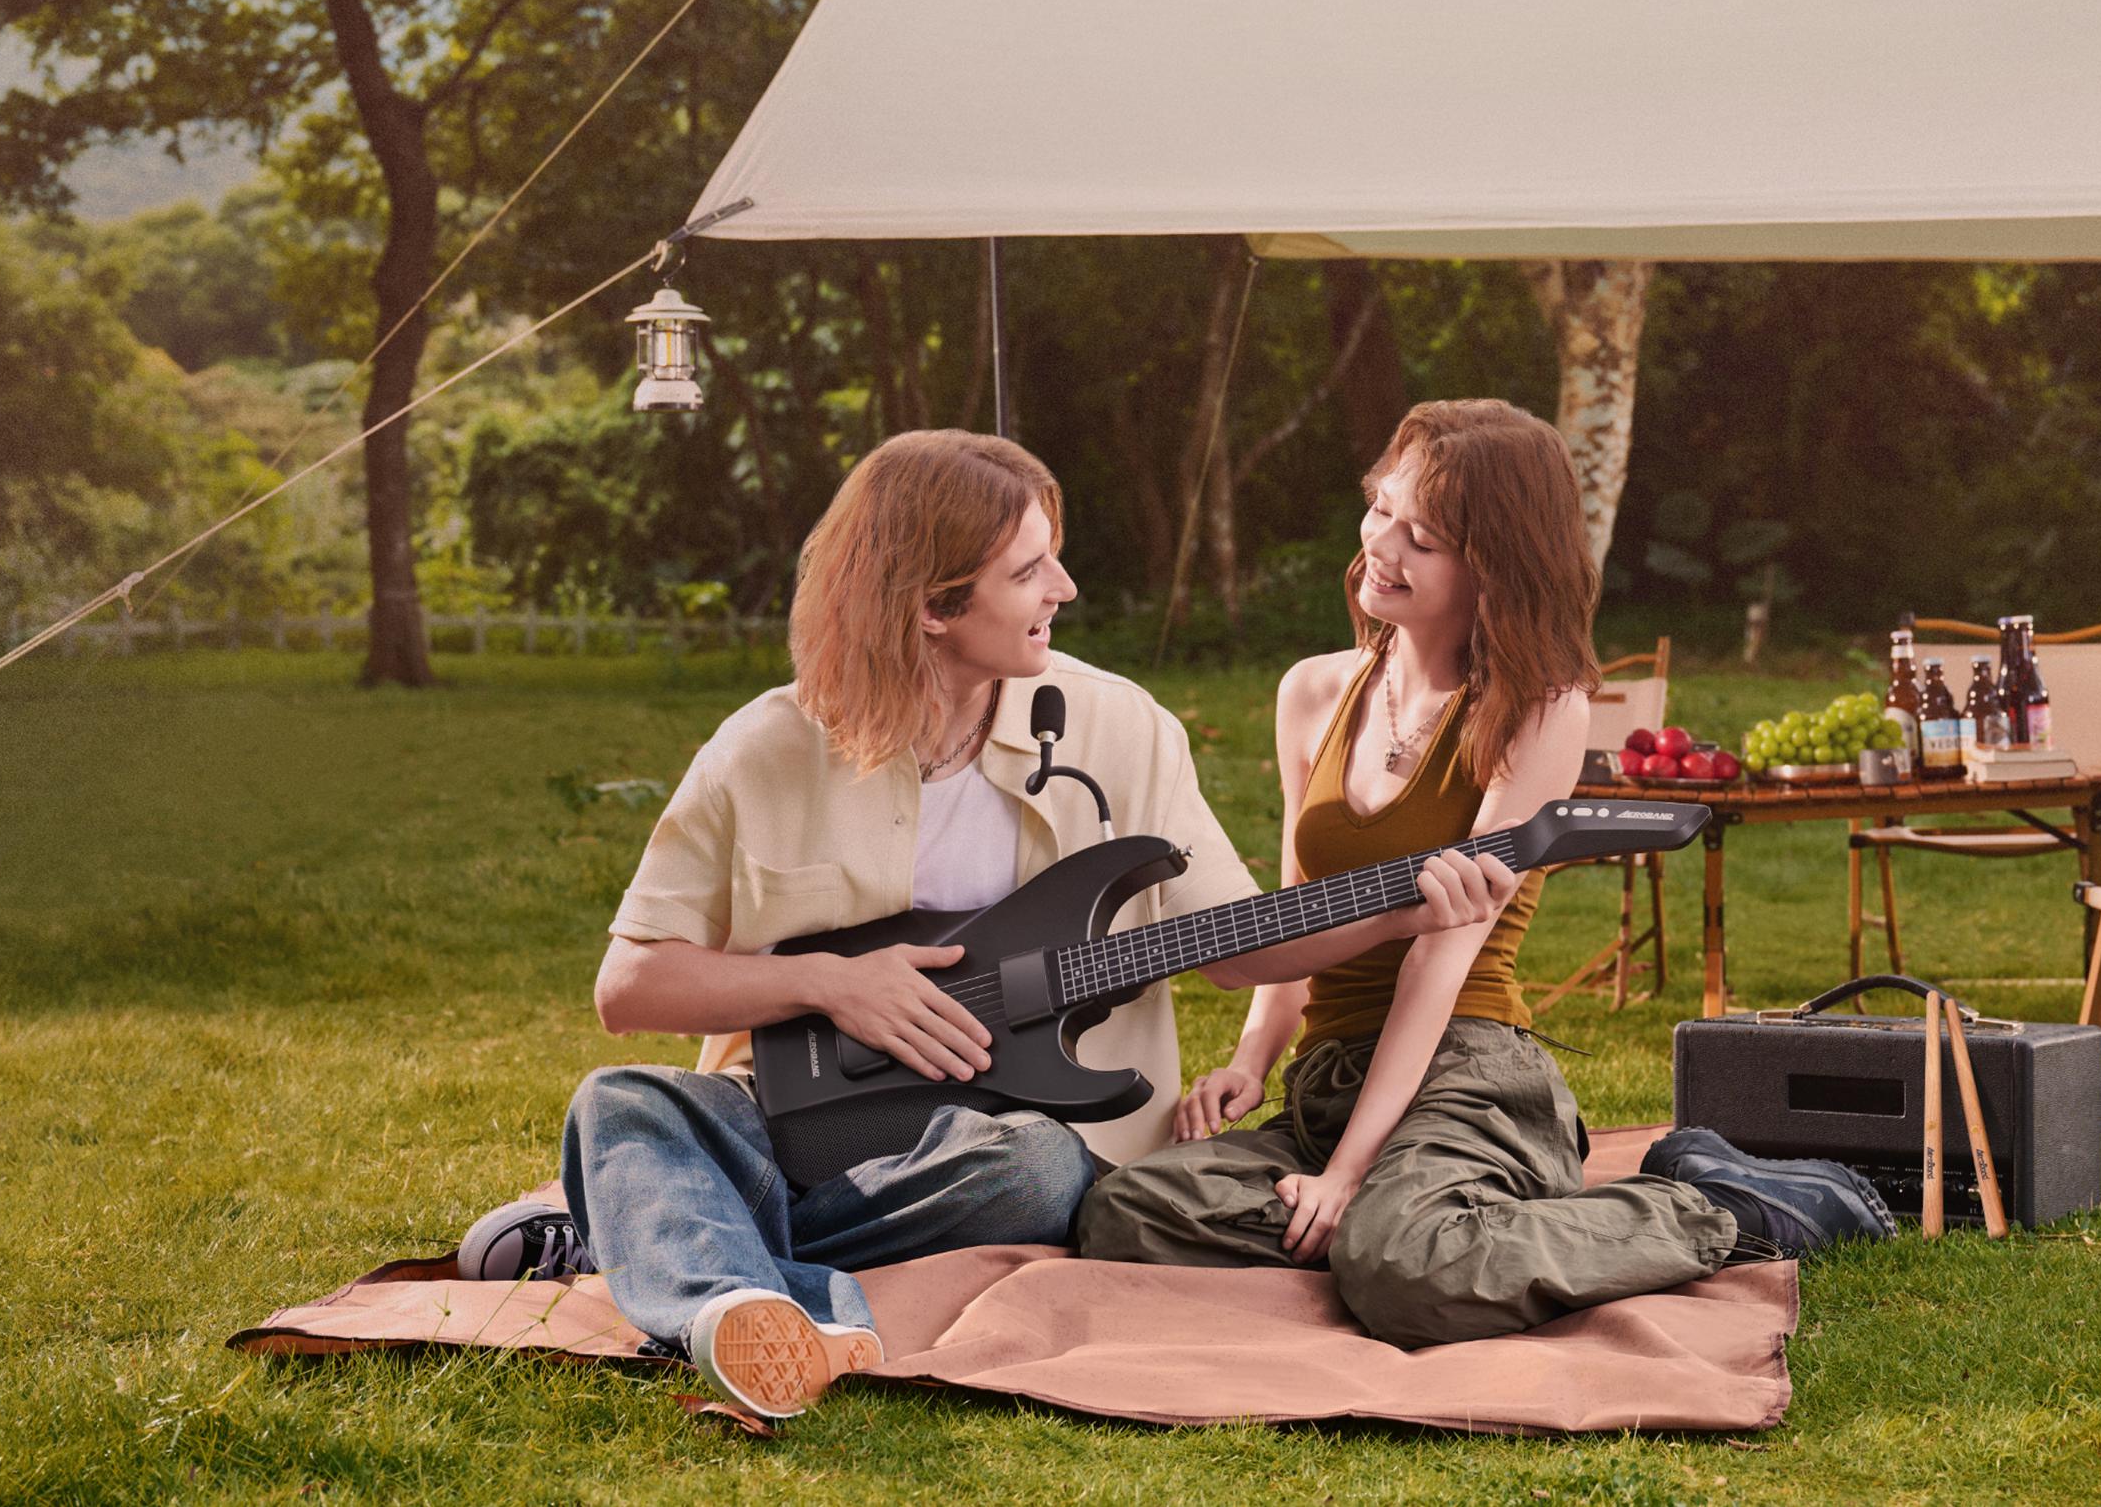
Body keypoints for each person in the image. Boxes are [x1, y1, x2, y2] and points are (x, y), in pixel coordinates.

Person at [454, 429, 1520, 1417]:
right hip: (797, 1125)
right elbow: (631, 986)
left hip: (1001, 1146)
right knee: (622, 1101)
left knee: (1039, 1173)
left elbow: (1242, 947)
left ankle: (677, 1248)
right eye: (1029, 571)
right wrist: (829, 984)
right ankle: (750, 1299)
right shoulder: (763, 748)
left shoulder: (1118, 725)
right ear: (932, 607)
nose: (1065, 588)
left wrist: (1401, 909)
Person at [1075, 400, 1895, 1348]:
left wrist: (1346, 1173)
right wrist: (1250, 1063)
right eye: (1381, 510)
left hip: (1467, 1069)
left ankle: (1721, 1209)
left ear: (1494, 566)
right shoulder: (1313, 691)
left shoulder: (1535, 708)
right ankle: (1422, 1225)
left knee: (1404, 1269)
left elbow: (1440, 956)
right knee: (1125, 1212)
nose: (1381, 546)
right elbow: (1297, 913)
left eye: (1421, 539)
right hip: (1330, 1077)